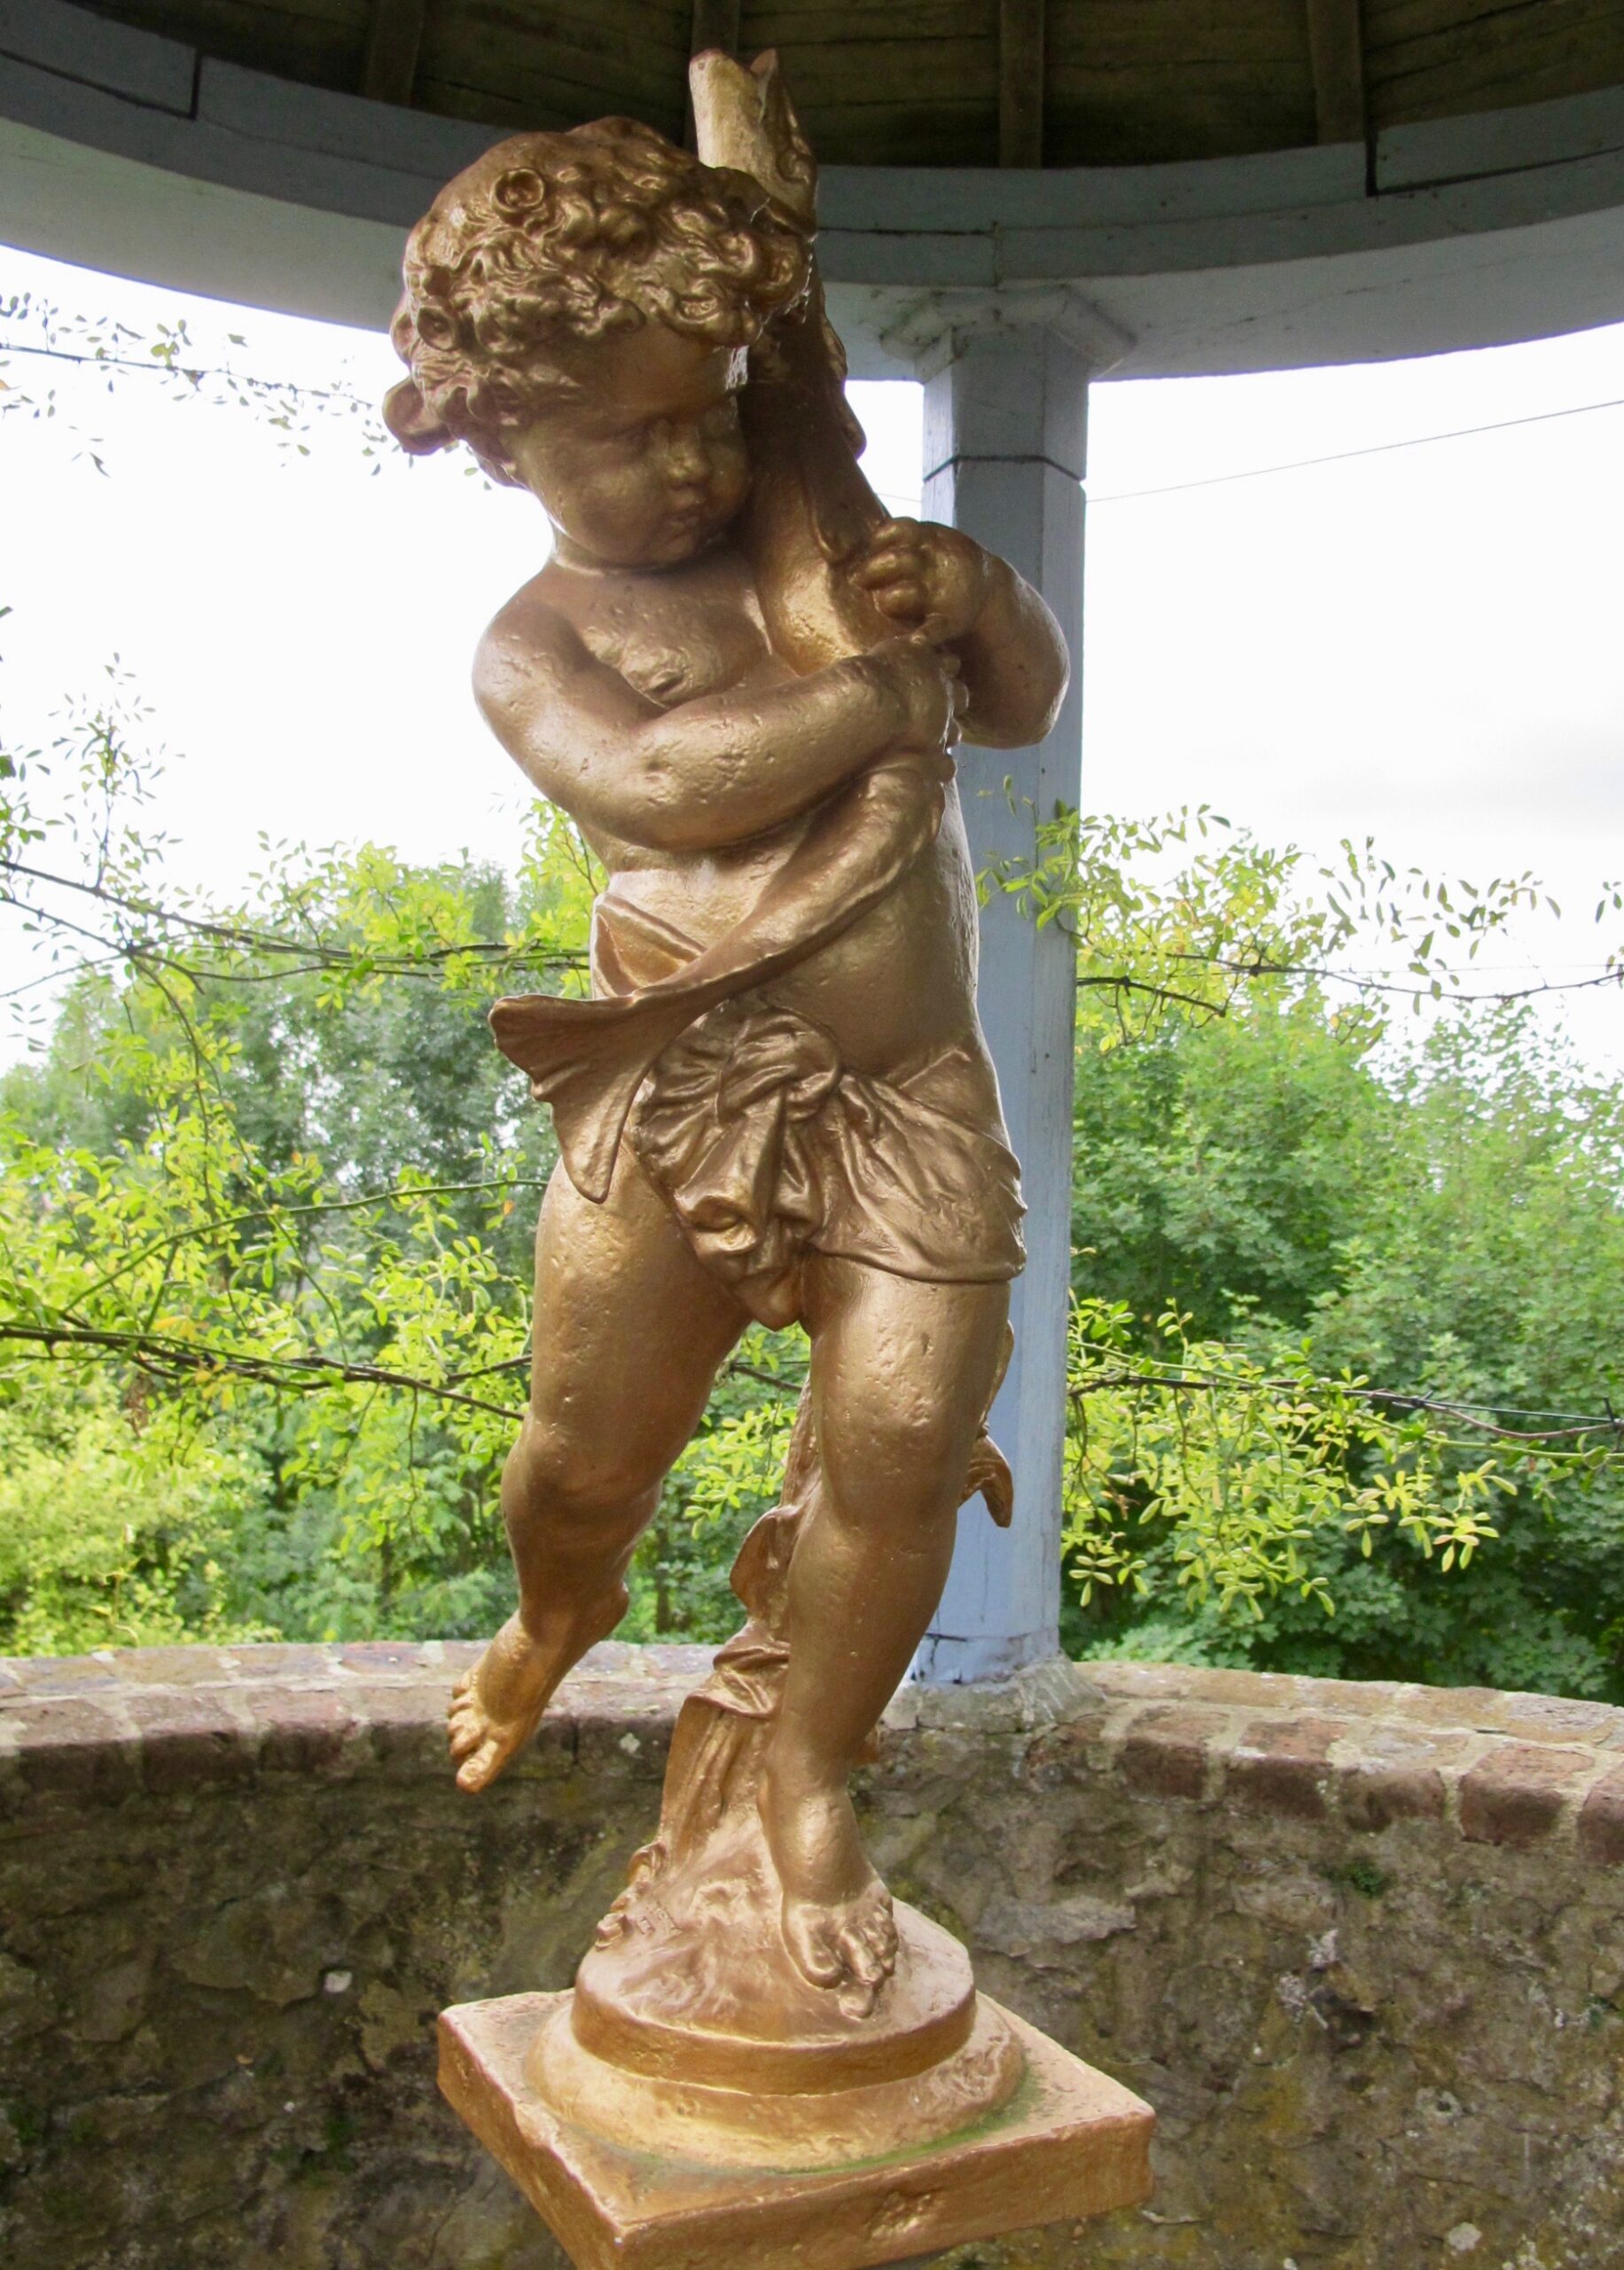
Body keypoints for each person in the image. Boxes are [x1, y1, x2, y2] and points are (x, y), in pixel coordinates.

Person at [385, 116, 1067, 2005]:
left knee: (904, 1446)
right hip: (678, 1090)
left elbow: (1020, 703)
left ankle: (805, 1780)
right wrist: (882, 697)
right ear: (505, 438)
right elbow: (671, 781)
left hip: (908, 1096)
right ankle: (554, 1613)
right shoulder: (533, 640)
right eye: (631, 435)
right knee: (585, 1459)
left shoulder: (798, 505)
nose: (691, 461)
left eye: (709, 411)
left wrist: (978, 603)